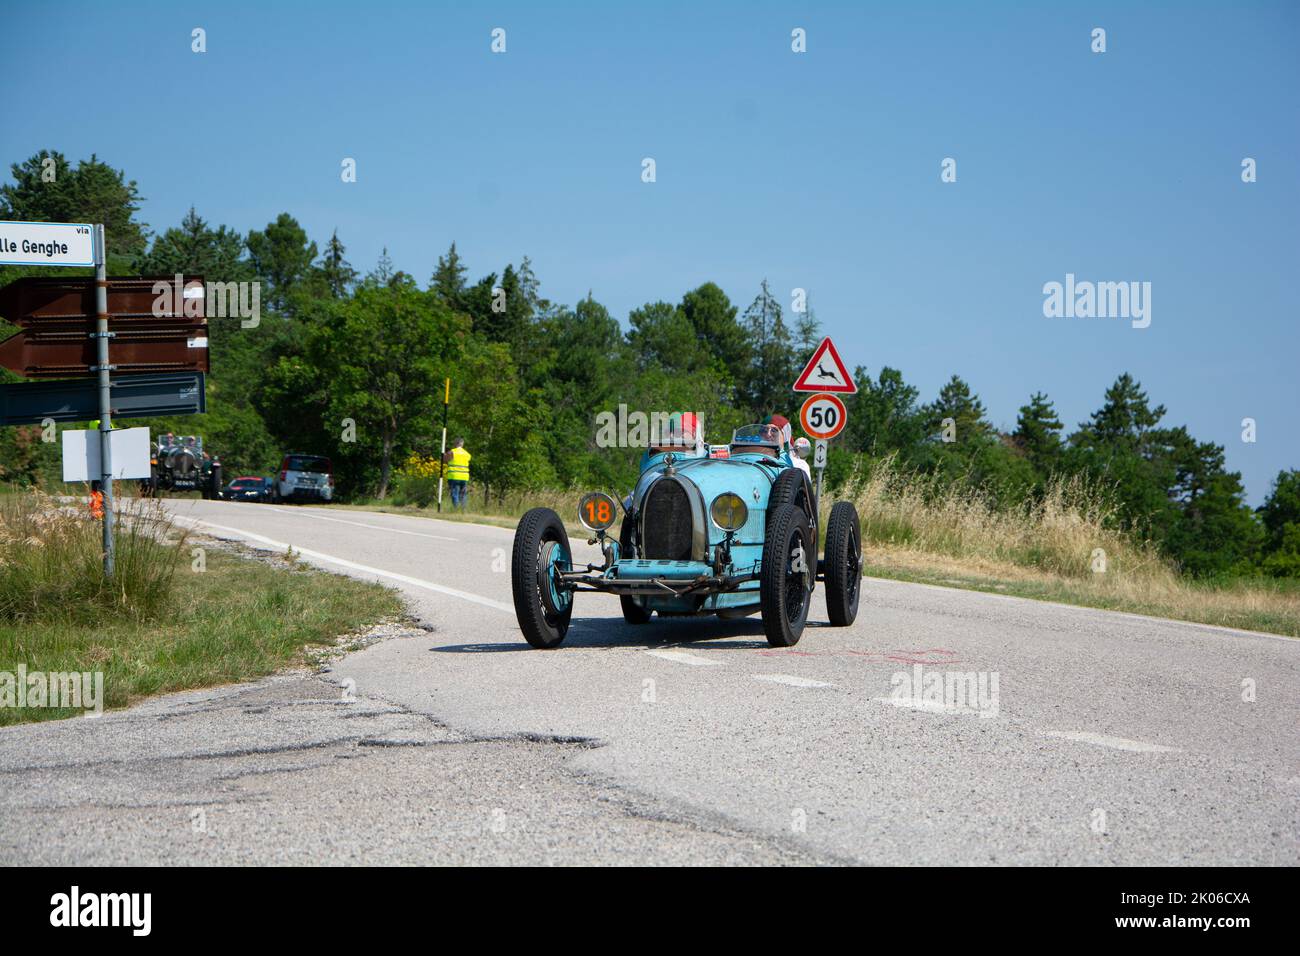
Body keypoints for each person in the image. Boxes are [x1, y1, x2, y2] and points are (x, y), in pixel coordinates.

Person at [443, 437, 471, 509]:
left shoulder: (452, 452)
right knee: (463, 494)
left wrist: (444, 454)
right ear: (462, 444)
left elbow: (445, 460)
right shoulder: (467, 454)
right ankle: (463, 510)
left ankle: (456, 509)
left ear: (455, 443)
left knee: (455, 493)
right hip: (464, 477)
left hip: (454, 476)